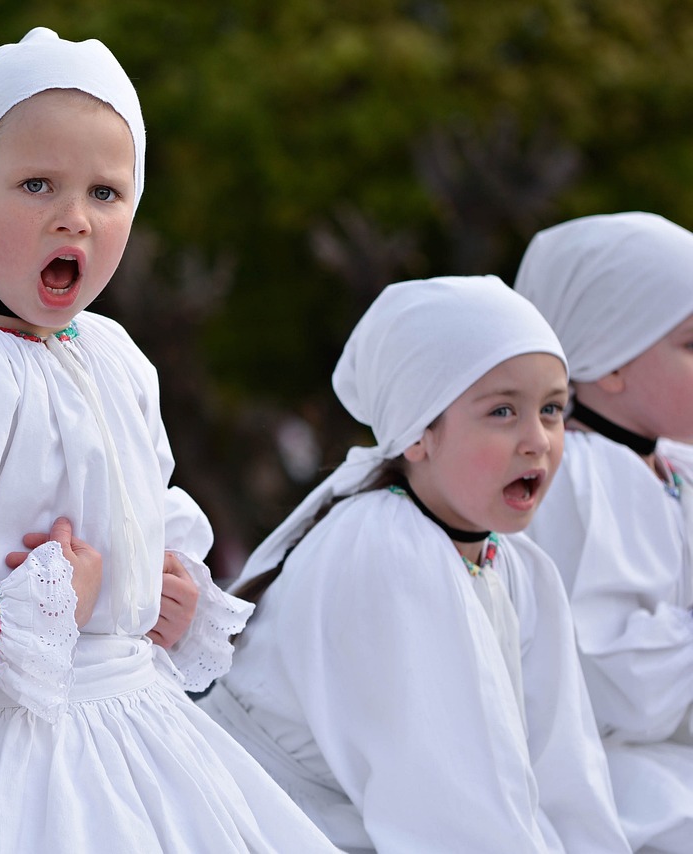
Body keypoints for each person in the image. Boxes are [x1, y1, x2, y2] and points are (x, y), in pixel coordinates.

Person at [0, 27, 337, 853]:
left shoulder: (116, 357)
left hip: (137, 726)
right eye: (36, 184)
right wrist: (40, 609)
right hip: (10, 751)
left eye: (105, 193)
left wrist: (163, 591)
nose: (74, 219)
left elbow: (148, 504)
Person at [199, 276, 630, 853]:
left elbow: (562, 768)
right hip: (263, 823)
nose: (538, 441)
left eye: (552, 410)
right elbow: (447, 807)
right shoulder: (386, 550)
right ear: (417, 434)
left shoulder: (516, 564)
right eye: (503, 411)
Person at [515, 211, 693, 854]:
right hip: (602, 769)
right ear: (609, 364)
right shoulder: (582, 481)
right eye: (692, 345)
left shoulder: (667, 464)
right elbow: (620, 689)